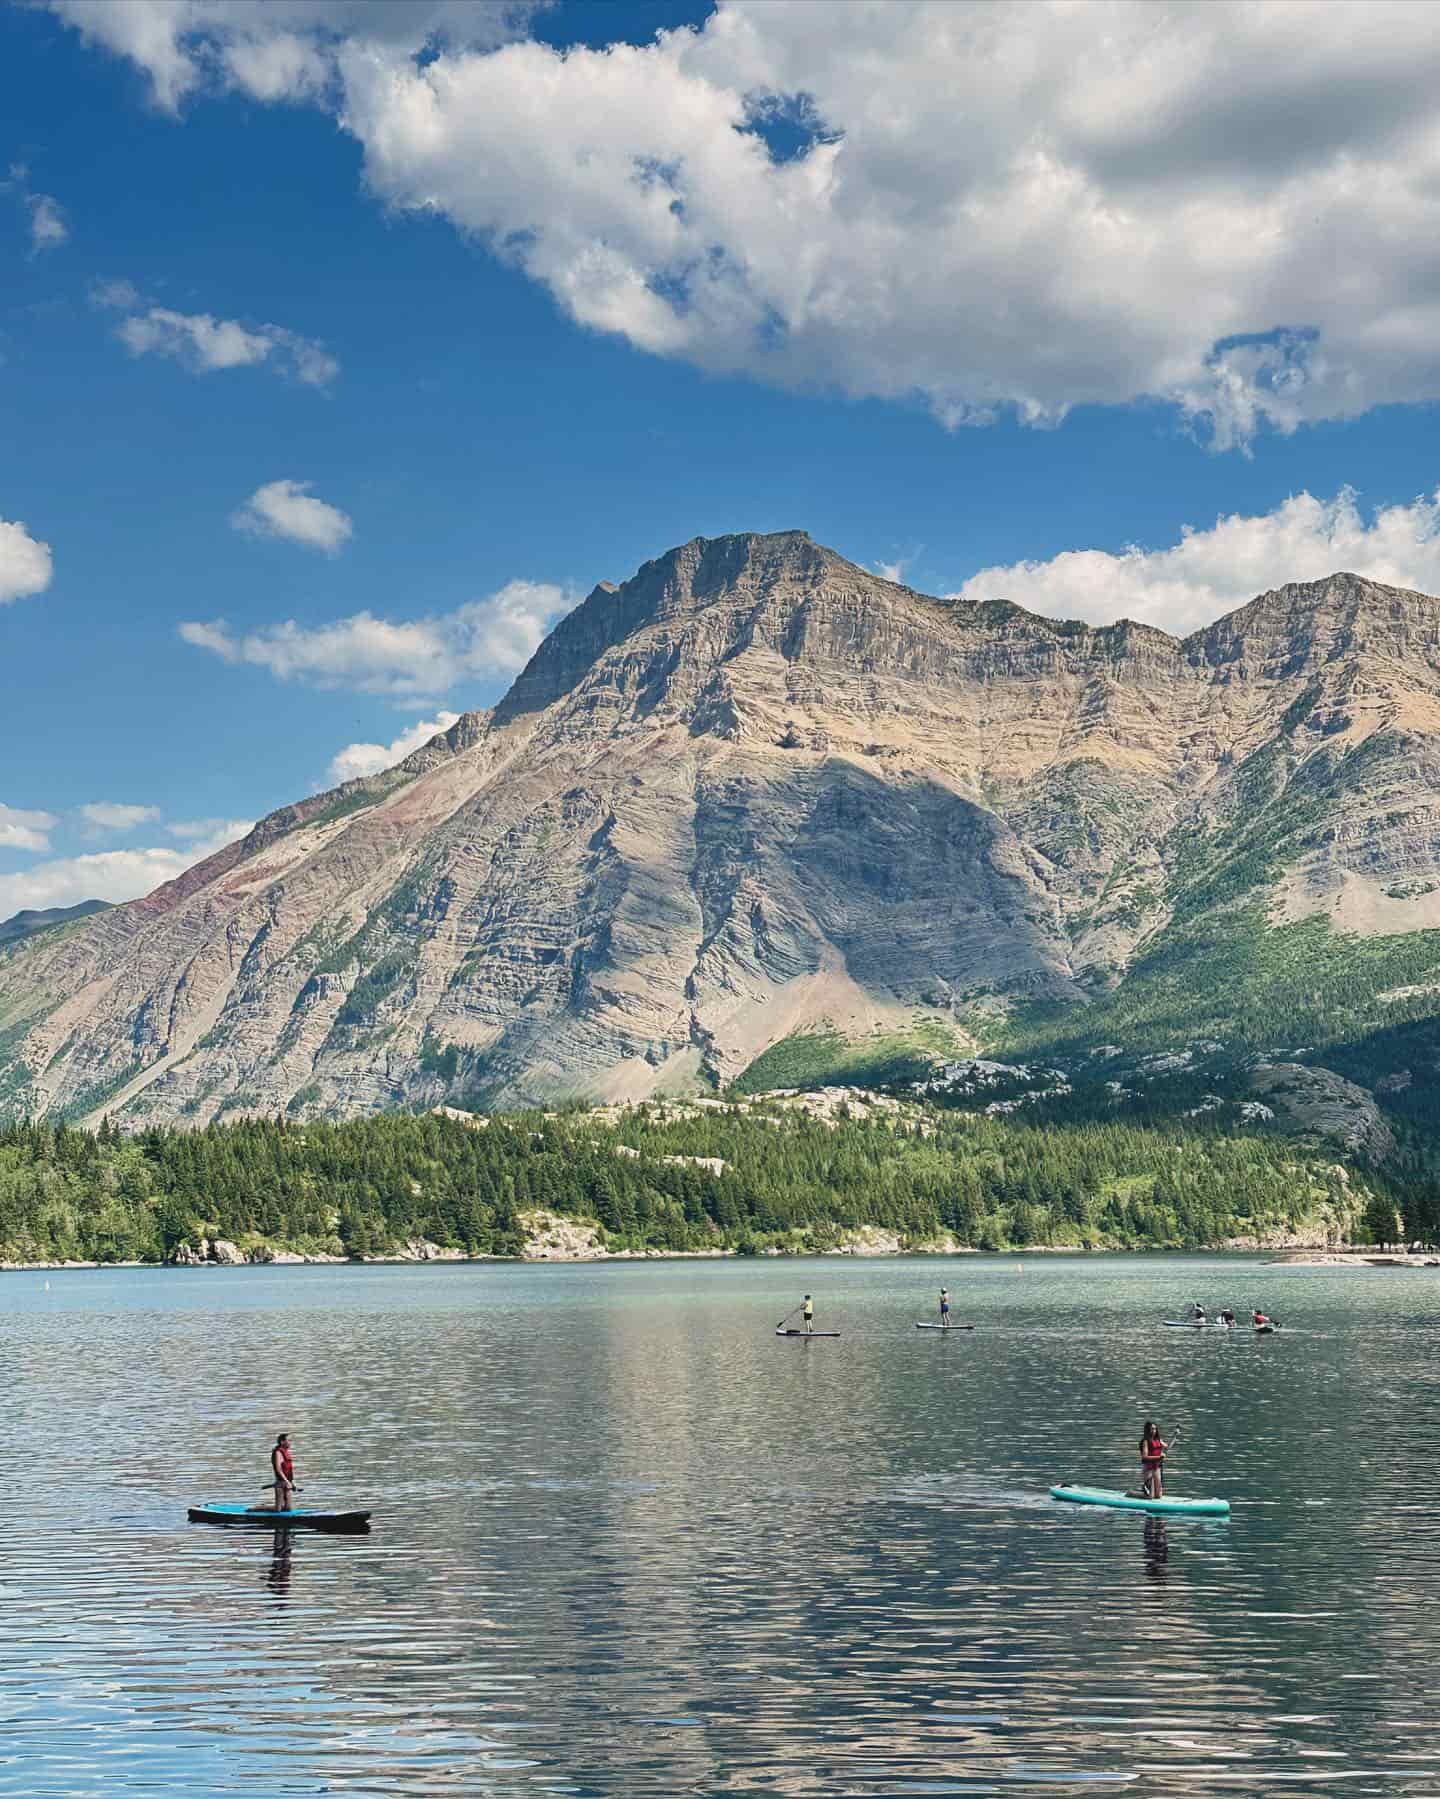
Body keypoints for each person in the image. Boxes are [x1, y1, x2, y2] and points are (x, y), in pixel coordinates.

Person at [1139, 1421, 1169, 1498]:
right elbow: (1145, 1457)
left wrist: (1175, 1436)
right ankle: (1131, 1493)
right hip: (1148, 1468)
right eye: (1152, 1429)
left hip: (1156, 1467)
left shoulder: (1159, 1440)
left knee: (1158, 1496)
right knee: (1150, 1496)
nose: (1154, 1431)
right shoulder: (1145, 1441)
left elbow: (1167, 1447)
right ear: (1148, 1430)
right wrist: (1159, 1457)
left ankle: (1147, 1491)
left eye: (1155, 1429)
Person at [271, 1432, 296, 1512]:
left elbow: (288, 1471)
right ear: (282, 1442)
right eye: (289, 1440)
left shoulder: (286, 1452)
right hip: (280, 1483)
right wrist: (286, 1481)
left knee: (288, 1508)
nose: (290, 1442)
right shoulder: (278, 1452)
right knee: (277, 1509)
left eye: (291, 1440)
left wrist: (291, 1483)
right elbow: (279, 1470)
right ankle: (257, 1508)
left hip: (287, 1483)